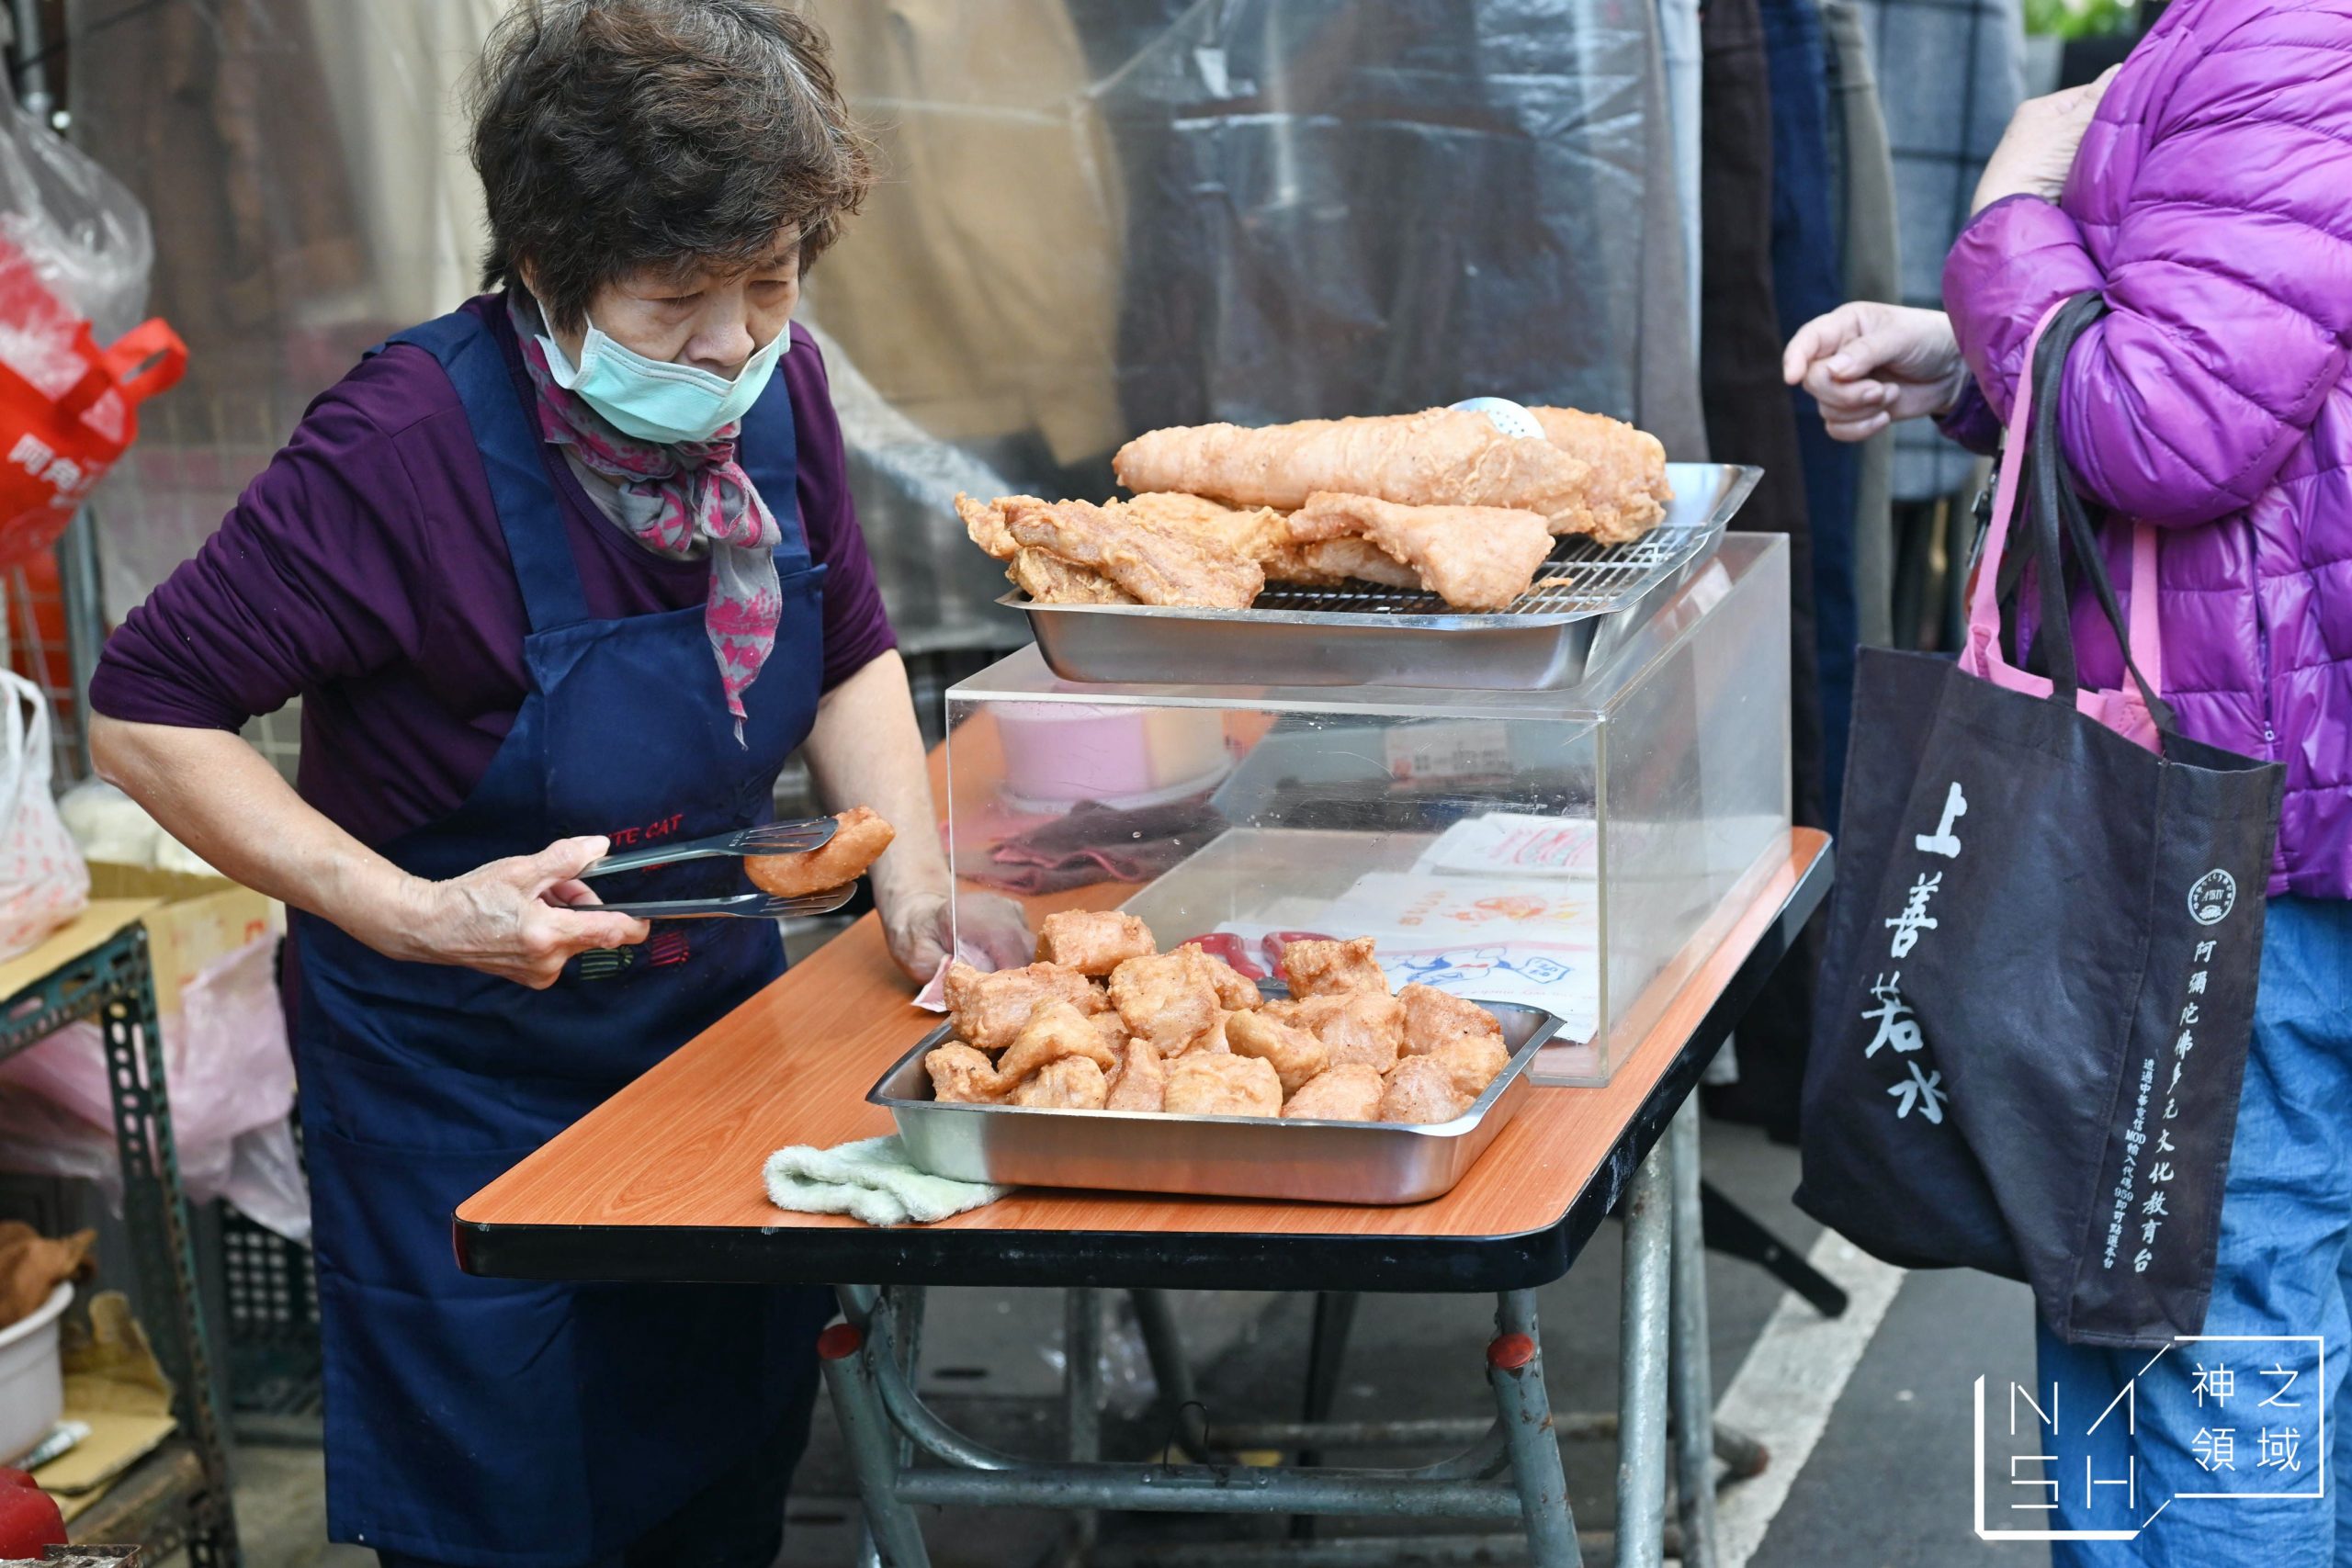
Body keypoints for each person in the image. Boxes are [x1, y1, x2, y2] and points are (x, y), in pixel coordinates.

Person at [85, 4, 1027, 1564]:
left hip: (710, 1053)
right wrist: (410, 910)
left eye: (771, 279)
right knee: (511, 1517)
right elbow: (144, 716)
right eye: (676, 302)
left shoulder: (769, 392)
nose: (732, 338)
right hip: (467, 1091)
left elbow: (851, 642)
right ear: (544, 265)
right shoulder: (399, 449)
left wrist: (912, 872)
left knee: (722, 1475)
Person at [1785, 2, 2352, 1560]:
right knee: (2252, 1327)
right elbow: (2272, 373)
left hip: (2242, 849)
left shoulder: (2283, 35)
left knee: (2202, 1354)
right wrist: (1971, 358)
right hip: (2279, 810)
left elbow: (2173, 431)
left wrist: (2011, 209)